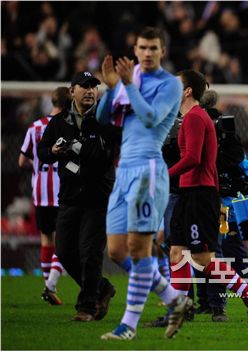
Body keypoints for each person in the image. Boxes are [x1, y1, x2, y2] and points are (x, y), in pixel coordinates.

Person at [96, 27, 190, 340]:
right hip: (123, 171)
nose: (147, 53)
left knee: (138, 250)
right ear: (135, 50)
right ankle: (175, 299)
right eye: (142, 47)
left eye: (153, 48)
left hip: (149, 170)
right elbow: (102, 118)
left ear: (162, 51)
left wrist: (126, 85)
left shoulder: (169, 85)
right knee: (115, 251)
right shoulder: (129, 77)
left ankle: (128, 326)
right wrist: (111, 89)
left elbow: (150, 118)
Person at [168, 69, 248, 329]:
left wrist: (164, 175)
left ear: (187, 91)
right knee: (177, 253)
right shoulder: (191, 117)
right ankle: (176, 311)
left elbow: (193, 158)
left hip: (200, 194)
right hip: (188, 192)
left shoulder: (194, 118)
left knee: (203, 259)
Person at [37, 72, 119, 322]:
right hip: (70, 196)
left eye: (93, 86)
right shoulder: (59, 121)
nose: (90, 91)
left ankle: (87, 306)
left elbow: (104, 157)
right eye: (84, 87)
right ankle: (101, 287)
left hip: (97, 195)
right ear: (71, 91)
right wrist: (52, 150)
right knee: (63, 251)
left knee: (90, 251)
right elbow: (42, 151)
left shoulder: (103, 120)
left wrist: (75, 150)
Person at [20, 87, 70, 306]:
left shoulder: (35, 127)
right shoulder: (68, 126)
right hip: (64, 191)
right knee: (65, 241)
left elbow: (22, 161)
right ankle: (50, 285)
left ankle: (50, 287)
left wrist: (38, 165)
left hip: (40, 193)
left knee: (46, 238)